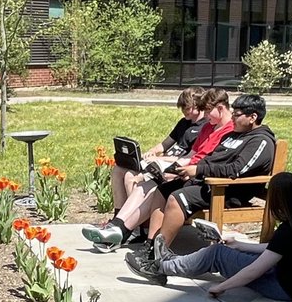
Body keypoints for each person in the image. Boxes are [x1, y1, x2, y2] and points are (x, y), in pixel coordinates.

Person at [125, 171, 292, 300]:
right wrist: (240, 245)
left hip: (284, 289)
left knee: (217, 254)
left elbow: (255, 270)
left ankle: (160, 268)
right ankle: (172, 260)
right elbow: (276, 250)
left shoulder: (288, 231)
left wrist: (223, 287)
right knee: (228, 251)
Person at [82, 88, 233, 251]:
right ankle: (117, 227)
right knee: (142, 185)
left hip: (196, 176)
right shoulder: (208, 128)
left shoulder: (225, 131)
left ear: (220, 108)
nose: (206, 115)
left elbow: (209, 162)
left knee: (153, 188)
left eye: (208, 111)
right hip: (182, 168)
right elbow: (192, 154)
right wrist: (162, 161)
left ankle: (122, 233)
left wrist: (170, 163)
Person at [141, 93, 276, 251]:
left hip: (228, 192)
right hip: (208, 183)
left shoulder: (261, 141)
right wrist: (189, 170)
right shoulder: (233, 136)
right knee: (163, 190)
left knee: (177, 198)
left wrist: (199, 169)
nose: (232, 118)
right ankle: (150, 245)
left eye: (237, 115)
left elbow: (236, 170)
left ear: (253, 117)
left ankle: (157, 255)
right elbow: (213, 157)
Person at [111, 87, 206, 212]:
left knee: (130, 177)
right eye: (182, 108)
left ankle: (136, 223)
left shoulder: (204, 127)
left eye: (187, 108)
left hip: (172, 167)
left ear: (197, 105)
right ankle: (118, 216)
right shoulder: (183, 123)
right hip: (161, 162)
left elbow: (187, 158)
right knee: (119, 169)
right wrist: (150, 153)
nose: (184, 111)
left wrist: (158, 158)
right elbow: (164, 145)